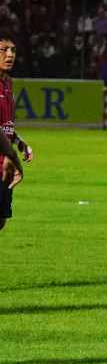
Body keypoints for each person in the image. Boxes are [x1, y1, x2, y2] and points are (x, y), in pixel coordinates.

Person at [0, 32, 30, 230]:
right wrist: (13, 156)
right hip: (6, 160)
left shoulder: (8, 83)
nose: (9, 55)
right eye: (3, 50)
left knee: (0, 220)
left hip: (4, 165)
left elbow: (5, 124)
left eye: (13, 50)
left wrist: (18, 142)